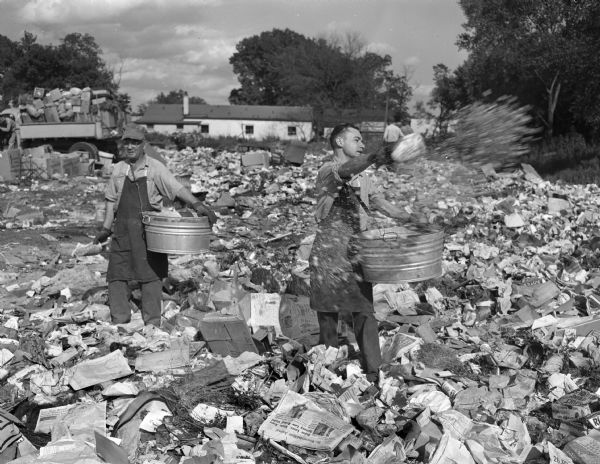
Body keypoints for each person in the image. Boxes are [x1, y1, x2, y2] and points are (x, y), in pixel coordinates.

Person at [309, 123, 417, 382]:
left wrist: (412, 219)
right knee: (328, 316)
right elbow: (344, 171)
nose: (361, 144)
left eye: (362, 141)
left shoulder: (365, 178)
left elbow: (382, 205)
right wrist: (373, 157)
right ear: (338, 142)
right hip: (328, 252)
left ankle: (373, 370)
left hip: (356, 253)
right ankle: (327, 374)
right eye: (356, 140)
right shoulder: (327, 170)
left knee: (364, 312)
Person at [94, 125, 216, 326]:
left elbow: (176, 188)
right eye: (128, 142)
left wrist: (197, 204)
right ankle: (120, 323)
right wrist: (106, 229)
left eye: (136, 142)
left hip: (148, 234)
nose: (131, 146)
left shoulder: (155, 168)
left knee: (150, 277)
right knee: (116, 276)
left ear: (144, 145)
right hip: (122, 233)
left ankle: (152, 324)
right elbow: (110, 200)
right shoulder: (118, 169)